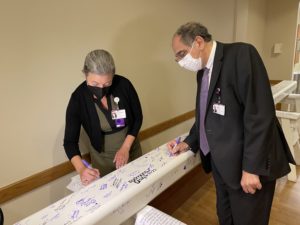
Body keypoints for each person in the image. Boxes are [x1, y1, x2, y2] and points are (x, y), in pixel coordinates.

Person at [167, 22, 295, 225]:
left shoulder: (241, 55)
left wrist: (252, 168)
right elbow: (205, 114)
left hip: (249, 167)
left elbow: (260, 115)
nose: (180, 62)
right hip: (222, 164)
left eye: (181, 54)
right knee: (225, 218)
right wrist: (190, 141)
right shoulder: (203, 72)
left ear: (198, 42)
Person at [64, 49, 143, 185]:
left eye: (107, 84)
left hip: (131, 149)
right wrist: (82, 169)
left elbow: (137, 117)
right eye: (95, 84)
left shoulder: (123, 85)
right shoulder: (78, 99)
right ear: (85, 74)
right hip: (103, 159)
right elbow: (70, 142)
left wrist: (125, 148)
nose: (101, 88)